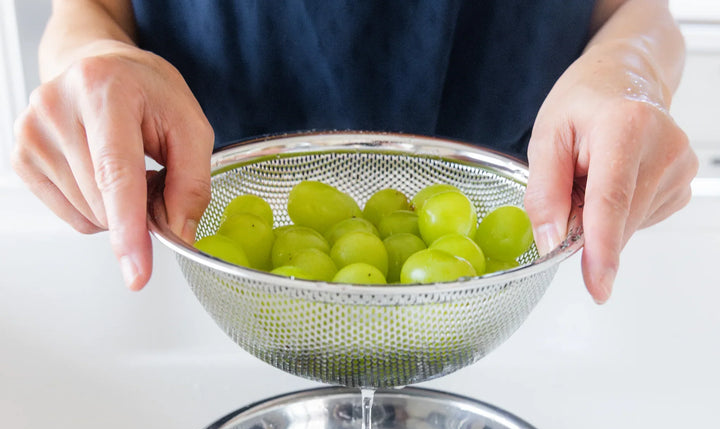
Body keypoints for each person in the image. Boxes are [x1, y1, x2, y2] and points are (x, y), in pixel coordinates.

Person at [11, 0, 698, 304]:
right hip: (214, 239)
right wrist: (88, 56)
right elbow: (86, 10)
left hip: (509, 244)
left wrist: (630, 70)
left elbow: (638, 10)